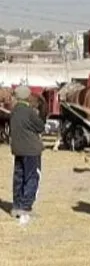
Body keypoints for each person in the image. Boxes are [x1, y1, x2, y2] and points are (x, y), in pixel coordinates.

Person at [9, 85, 45, 227]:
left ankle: (16, 205)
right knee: (32, 177)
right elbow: (40, 126)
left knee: (18, 177)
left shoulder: (14, 111)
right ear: (27, 97)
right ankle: (26, 207)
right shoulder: (29, 112)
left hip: (18, 149)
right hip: (31, 150)